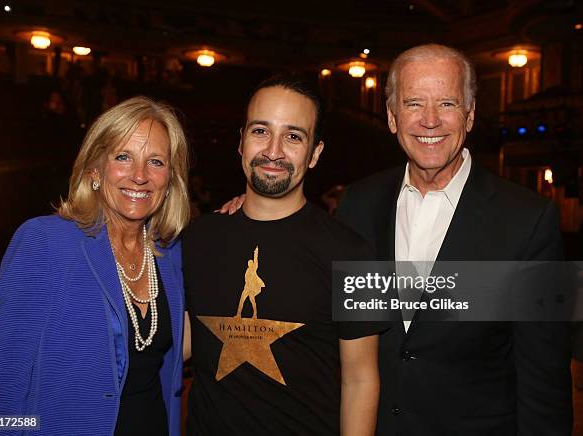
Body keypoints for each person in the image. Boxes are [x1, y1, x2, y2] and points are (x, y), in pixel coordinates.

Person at [335, 44, 573, 435]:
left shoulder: (530, 219)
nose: (430, 121)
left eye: (447, 103)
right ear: (392, 117)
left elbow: (545, 383)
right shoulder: (358, 203)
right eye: (413, 103)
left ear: (471, 113)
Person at [182, 75, 387, 435]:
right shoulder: (196, 239)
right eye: (261, 131)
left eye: (293, 136)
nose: (273, 151)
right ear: (241, 141)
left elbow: (361, 380)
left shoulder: (355, 254)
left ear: (315, 154)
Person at [0, 96, 190, 435]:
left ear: (170, 180)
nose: (139, 175)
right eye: (123, 157)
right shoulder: (45, 242)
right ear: (95, 169)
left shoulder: (169, 253)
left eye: (156, 162)